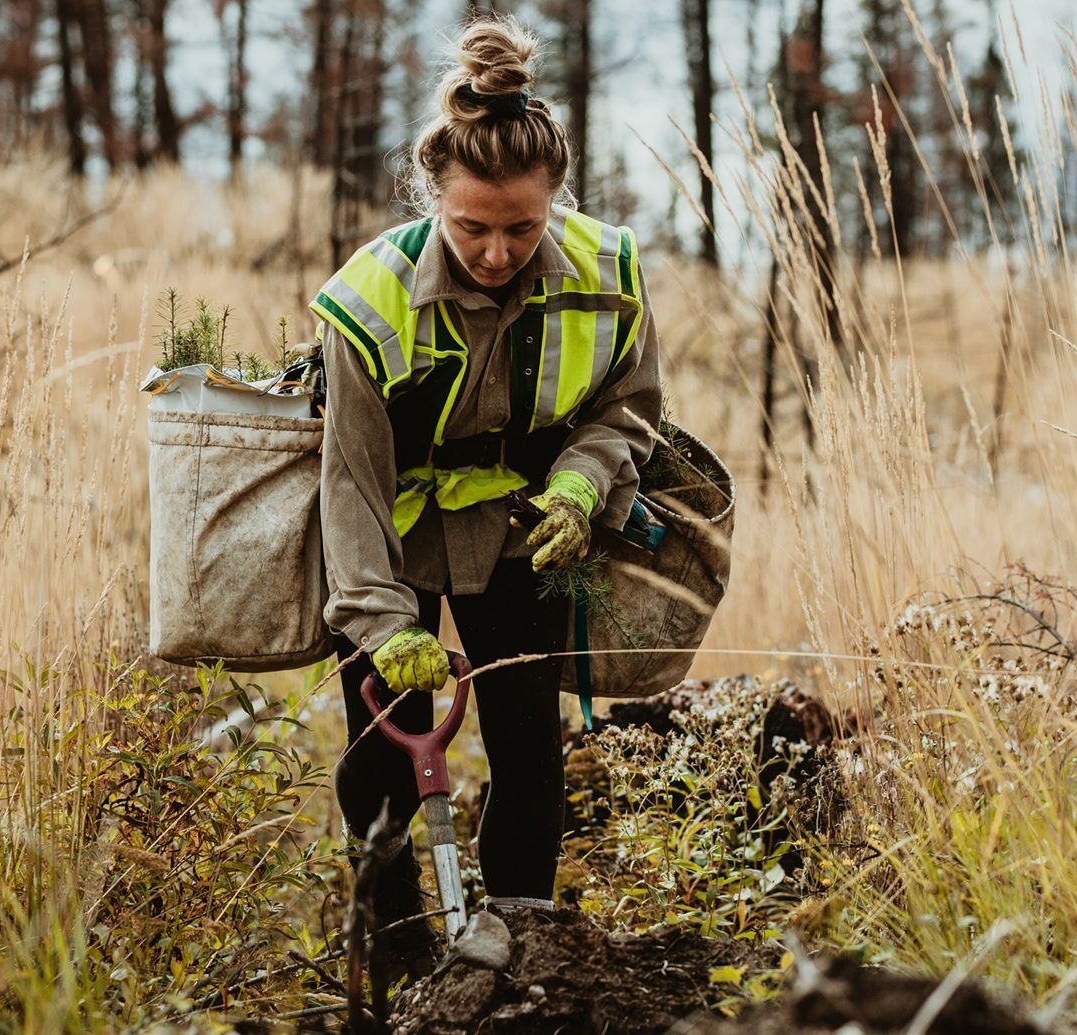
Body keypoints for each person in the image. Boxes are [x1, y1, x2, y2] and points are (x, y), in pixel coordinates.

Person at [307, 15, 662, 983]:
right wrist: (382, 626)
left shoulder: (609, 274)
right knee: (381, 761)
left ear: (555, 199)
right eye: (472, 228)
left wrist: (583, 487)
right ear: (431, 200)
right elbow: (352, 483)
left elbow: (629, 412)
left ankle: (522, 956)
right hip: (397, 539)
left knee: (529, 752)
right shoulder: (368, 301)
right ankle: (391, 963)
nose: (498, 251)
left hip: (525, 532)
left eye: (521, 227)